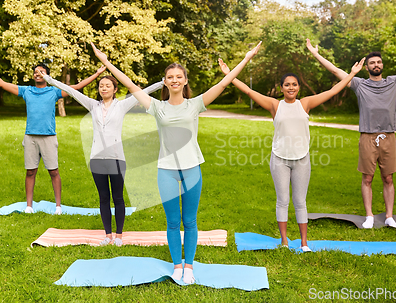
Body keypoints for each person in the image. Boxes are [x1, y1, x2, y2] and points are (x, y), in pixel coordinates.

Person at [91, 41, 261, 283]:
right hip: (167, 171)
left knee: (190, 221)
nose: (174, 80)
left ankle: (189, 266)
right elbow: (129, 84)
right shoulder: (157, 107)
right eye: (170, 77)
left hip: (192, 168)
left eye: (178, 76)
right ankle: (176, 264)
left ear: (185, 81)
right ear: (165, 81)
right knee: (172, 222)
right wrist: (106, 62)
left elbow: (223, 83)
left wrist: (245, 58)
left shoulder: (196, 104)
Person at [218, 56, 365, 251]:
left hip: (302, 159)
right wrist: (229, 75)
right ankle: (284, 241)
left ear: (298, 87)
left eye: (294, 84)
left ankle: (304, 243)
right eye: (287, 85)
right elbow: (248, 90)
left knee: (300, 201)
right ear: (281, 88)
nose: (291, 88)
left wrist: (353, 74)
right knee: (283, 201)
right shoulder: (274, 105)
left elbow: (333, 90)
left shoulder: (305, 104)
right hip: (279, 158)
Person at [306, 29, 396, 229]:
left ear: (382, 65)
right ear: (367, 67)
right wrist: (316, 54)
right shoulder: (359, 84)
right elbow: (336, 71)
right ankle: (369, 216)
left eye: (378, 62)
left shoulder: (393, 82)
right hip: (367, 137)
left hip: (388, 137)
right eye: (372, 63)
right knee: (367, 177)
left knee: (388, 177)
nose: (376, 65)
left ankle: (389, 216)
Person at [0, 53, 105, 214]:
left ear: (47, 75)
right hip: (30, 137)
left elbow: (76, 88)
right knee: (30, 171)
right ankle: (29, 206)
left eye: (41, 71)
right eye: (35, 71)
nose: (37, 73)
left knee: (54, 171)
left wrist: (97, 74)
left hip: (49, 137)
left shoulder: (54, 92)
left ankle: (58, 206)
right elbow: (1, 83)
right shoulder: (26, 91)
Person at [41, 71, 162, 246]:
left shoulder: (122, 105)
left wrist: (161, 83)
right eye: (101, 86)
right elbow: (72, 91)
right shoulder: (93, 106)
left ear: (114, 89)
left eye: (107, 86)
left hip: (116, 159)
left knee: (118, 198)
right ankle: (108, 235)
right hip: (97, 159)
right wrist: (49, 79)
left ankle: (119, 235)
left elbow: (141, 93)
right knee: (103, 198)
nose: (103, 88)